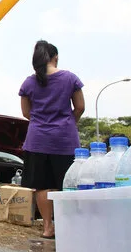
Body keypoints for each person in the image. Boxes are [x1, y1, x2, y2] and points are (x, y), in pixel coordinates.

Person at [19, 40, 85, 239]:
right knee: (68, 185)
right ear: (55, 57)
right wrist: (67, 122)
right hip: (65, 140)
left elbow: (25, 113)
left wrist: (42, 123)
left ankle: (48, 228)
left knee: (42, 185)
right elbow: (80, 107)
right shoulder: (70, 78)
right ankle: (68, 227)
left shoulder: (28, 83)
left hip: (37, 140)